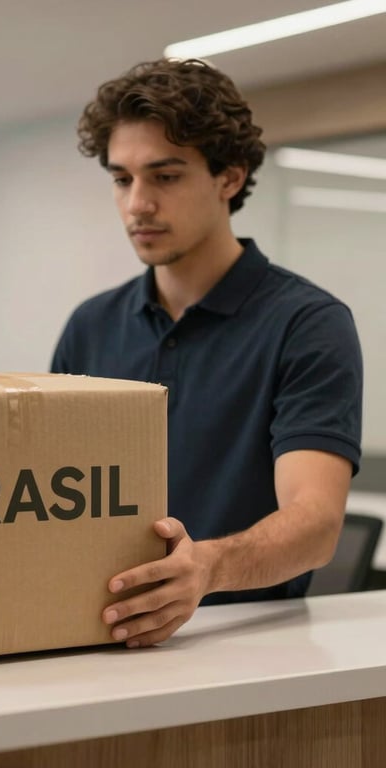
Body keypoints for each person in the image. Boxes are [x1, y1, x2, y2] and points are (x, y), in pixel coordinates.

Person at [51, 58, 363, 648]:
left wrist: (209, 568)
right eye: (122, 179)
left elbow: (317, 522)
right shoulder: (90, 325)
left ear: (228, 178)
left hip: (246, 644)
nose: (137, 204)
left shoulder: (307, 323)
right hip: (94, 633)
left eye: (164, 177)